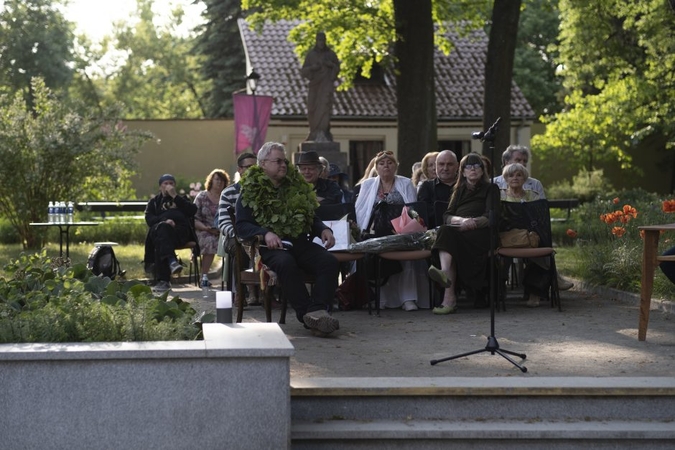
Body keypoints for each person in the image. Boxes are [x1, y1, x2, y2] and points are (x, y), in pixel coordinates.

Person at [235, 142, 340, 336]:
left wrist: (323, 229)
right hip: (271, 247)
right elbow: (241, 225)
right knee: (286, 263)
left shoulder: (295, 186)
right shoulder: (249, 191)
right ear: (263, 164)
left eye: (284, 161)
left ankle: (318, 310)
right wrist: (265, 232)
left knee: (329, 262)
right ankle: (308, 315)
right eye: (278, 161)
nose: (283, 165)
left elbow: (310, 216)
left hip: (299, 242)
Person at [355, 150, 428, 311]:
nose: (386, 166)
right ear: (376, 167)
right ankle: (381, 298)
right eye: (381, 163)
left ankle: (408, 298)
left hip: (401, 229)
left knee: (407, 255)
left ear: (396, 166)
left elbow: (413, 207)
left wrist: (406, 228)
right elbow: (360, 209)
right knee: (374, 256)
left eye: (390, 163)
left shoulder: (406, 183)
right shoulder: (367, 184)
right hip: (376, 230)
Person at [427, 153, 500, 314]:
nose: (473, 169)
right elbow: (447, 215)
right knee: (446, 231)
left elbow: (491, 217)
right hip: (459, 230)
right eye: (468, 166)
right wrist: (461, 221)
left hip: (482, 234)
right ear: (463, 172)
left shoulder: (491, 188)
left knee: (449, 240)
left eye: (476, 166)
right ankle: (447, 285)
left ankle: (448, 298)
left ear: (482, 170)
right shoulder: (458, 189)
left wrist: (472, 222)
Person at [144, 174, 198, 293]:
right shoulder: (154, 202)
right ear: (160, 187)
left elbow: (192, 211)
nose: (169, 186)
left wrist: (175, 196)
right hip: (161, 232)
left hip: (179, 234)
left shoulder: (182, 199)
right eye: (166, 183)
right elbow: (149, 220)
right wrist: (164, 221)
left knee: (161, 241)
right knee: (162, 230)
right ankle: (171, 261)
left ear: (175, 185)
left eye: (171, 183)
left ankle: (164, 281)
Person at [217, 152, 258, 304]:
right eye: (249, 167)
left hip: (257, 236)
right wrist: (240, 234)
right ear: (239, 169)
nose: (253, 171)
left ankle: (268, 292)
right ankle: (241, 293)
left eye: (256, 167)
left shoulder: (264, 191)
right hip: (234, 237)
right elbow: (223, 222)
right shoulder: (229, 192)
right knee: (240, 249)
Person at [301, 32, 340, 142]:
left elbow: (337, 69)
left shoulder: (331, 54)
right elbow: (303, 71)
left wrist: (330, 65)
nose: (321, 43)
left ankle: (323, 132)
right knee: (311, 108)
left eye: (323, 40)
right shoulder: (311, 55)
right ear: (316, 41)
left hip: (326, 85)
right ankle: (313, 131)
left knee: (325, 108)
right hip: (314, 86)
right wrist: (313, 68)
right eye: (319, 40)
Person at [193, 169, 229, 280]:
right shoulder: (202, 196)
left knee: (232, 242)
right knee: (210, 240)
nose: (219, 182)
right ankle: (204, 276)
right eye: (217, 179)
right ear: (211, 181)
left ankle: (230, 277)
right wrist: (206, 228)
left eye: (222, 180)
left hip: (222, 231)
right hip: (203, 229)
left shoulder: (226, 197)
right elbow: (193, 218)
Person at [417, 150, 459, 228]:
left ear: (457, 166)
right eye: (441, 164)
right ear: (436, 166)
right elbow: (424, 215)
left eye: (450, 164)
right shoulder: (426, 187)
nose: (445, 168)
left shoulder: (465, 186)